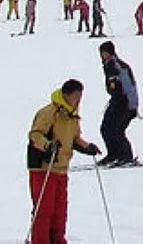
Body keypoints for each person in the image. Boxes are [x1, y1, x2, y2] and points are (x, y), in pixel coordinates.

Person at [27, 79, 101, 244]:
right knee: (44, 210)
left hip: (61, 168)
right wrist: (47, 145)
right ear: (66, 95)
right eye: (76, 96)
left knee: (60, 210)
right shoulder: (48, 113)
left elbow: (74, 138)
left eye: (81, 96)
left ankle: (57, 240)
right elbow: (35, 135)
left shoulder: (72, 115)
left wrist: (87, 147)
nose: (79, 100)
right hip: (44, 167)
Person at [97, 42, 139, 167]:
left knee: (117, 130)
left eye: (103, 52)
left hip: (125, 103)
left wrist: (132, 106)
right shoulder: (108, 65)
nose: (102, 55)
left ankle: (126, 156)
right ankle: (113, 154)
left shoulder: (118, 66)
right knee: (105, 128)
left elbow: (129, 87)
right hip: (116, 101)